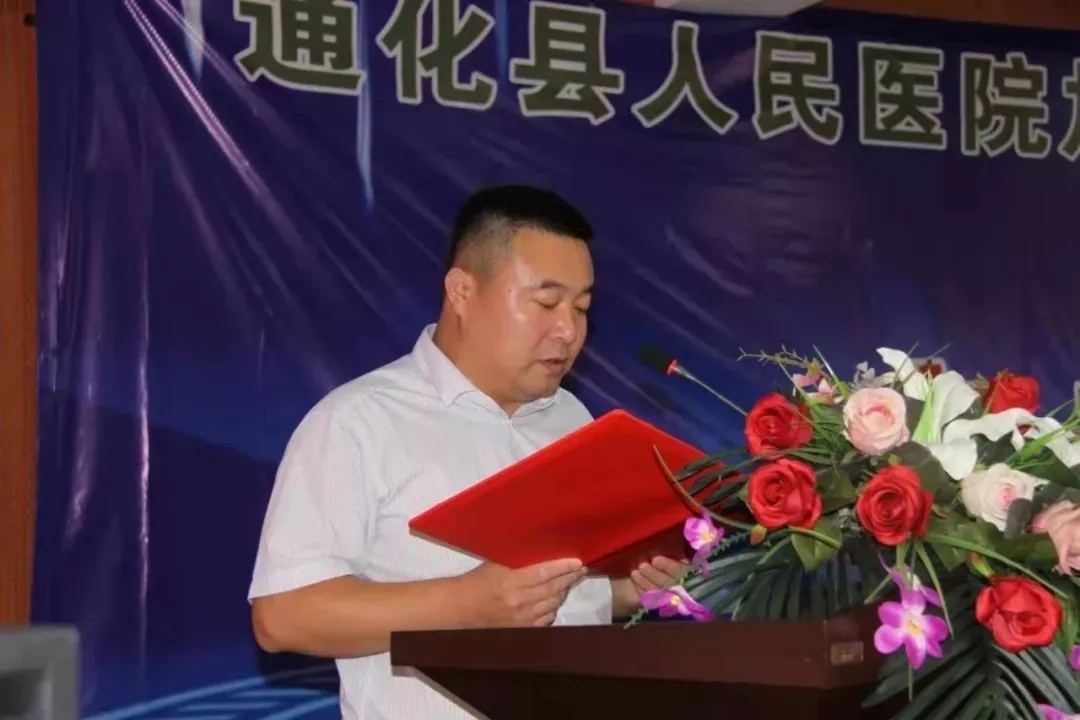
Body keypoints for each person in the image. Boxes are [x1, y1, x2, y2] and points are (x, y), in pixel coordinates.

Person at [248, 184, 687, 719]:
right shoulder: (359, 421)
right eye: (546, 303)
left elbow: (557, 599)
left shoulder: (574, 421)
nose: (569, 330)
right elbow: (282, 616)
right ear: (461, 291)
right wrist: (467, 603)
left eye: (581, 308)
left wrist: (627, 592)